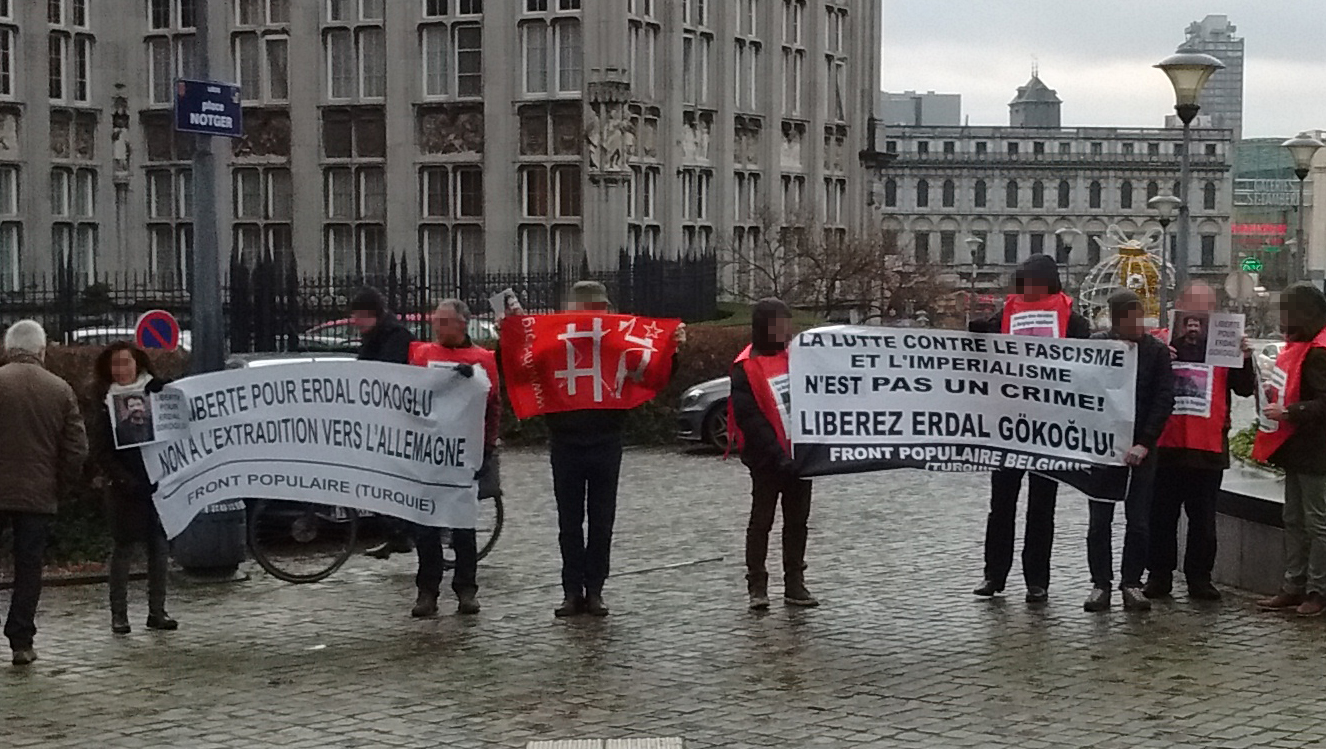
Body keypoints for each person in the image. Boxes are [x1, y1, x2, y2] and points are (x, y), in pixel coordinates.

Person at [547, 281, 684, 617]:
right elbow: (525, 370)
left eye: (600, 308)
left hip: (606, 440)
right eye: (591, 308)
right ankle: (571, 590)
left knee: (601, 521)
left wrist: (673, 351)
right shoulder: (554, 342)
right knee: (569, 523)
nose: (598, 314)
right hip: (565, 441)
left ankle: (594, 590)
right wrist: (509, 338)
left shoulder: (618, 342)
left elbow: (650, 374)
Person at [970, 255, 1091, 603]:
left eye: (1031, 282)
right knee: (1002, 504)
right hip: (1008, 425)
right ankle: (994, 575)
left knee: (1042, 507)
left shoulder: (1074, 322)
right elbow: (983, 336)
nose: (1027, 289)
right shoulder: (1007, 313)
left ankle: (1037, 580)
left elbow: (1093, 360)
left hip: (1050, 426)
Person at [1145, 283, 1255, 602]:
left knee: (1203, 519)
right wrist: (1156, 358)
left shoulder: (1225, 343)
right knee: (1161, 516)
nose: (1198, 317)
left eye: (1206, 308)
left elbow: (1245, 390)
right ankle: (1159, 575)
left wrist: (1245, 358)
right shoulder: (1159, 341)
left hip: (1207, 448)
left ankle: (1199, 578)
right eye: (1192, 308)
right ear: (1178, 306)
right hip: (1166, 444)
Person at [0, 321, 88, 665]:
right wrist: (60, 485)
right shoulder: (60, 389)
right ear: (41, 351)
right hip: (37, 493)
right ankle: (21, 640)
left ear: (8, 350)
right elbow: (76, 449)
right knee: (29, 567)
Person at [406, 299, 501, 618]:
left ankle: (466, 589)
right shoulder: (422, 355)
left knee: (463, 527)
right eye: (435, 321)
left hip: (465, 454)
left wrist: (486, 448)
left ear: (462, 324)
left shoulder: (482, 359)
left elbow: (493, 404)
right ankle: (427, 591)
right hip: (428, 453)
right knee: (426, 527)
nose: (437, 327)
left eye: (443, 321)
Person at [1084, 291, 1174, 612]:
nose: (1138, 324)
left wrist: (1145, 442)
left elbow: (1164, 399)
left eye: (1141, 317)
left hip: (1141, 450)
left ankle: (1132, 583)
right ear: (1117, 319)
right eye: (1131, 318)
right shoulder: (1098, 346)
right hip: (1104, 449)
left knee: (1138, 520)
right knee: (1099, 522)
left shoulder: (1156, 353)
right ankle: (1100, 584)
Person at [730, 298, 817, 610]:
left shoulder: (800, 357)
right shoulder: (745, 367)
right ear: (763, 327)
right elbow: (750, 418)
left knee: (797, 523)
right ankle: (757, 585)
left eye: (787, 322)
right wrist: (777, 454)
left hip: (800, 456)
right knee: (761, 522)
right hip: (766, 460)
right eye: (778, 323)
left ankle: (795, 583)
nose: (785, 329)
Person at [92, 342, 177, 634]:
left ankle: (157, 611)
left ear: (137, 364)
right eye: (115, 364)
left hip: (156, 483)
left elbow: (178, 419)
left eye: (126, 363)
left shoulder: (155, 392)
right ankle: (120, 615)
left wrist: (165, 391)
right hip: (123, 488)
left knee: (159, 547)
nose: (121, 370)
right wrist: (124, 479)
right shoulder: (103, 402)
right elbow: (101, 451)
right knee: (123, 548)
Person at [1254, 283, 1326, 616]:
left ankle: (1316, 591)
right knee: (1294, 519)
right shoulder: (1303, 346)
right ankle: (1293, 586)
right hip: (1298, 448)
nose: (1283, 318)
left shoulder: (1319, 351)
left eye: (1288, 310)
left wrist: (1288, 412)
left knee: (1317, 523)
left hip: (1317, 452)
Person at [350, 287, 418, 560]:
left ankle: (407, 531)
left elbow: (387, 375)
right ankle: (395, 533)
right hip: (379, 422)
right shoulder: (372, 338)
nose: (355, 321)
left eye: (360, 316)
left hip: (401, 421)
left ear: (374, 315)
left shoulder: (396, 337)